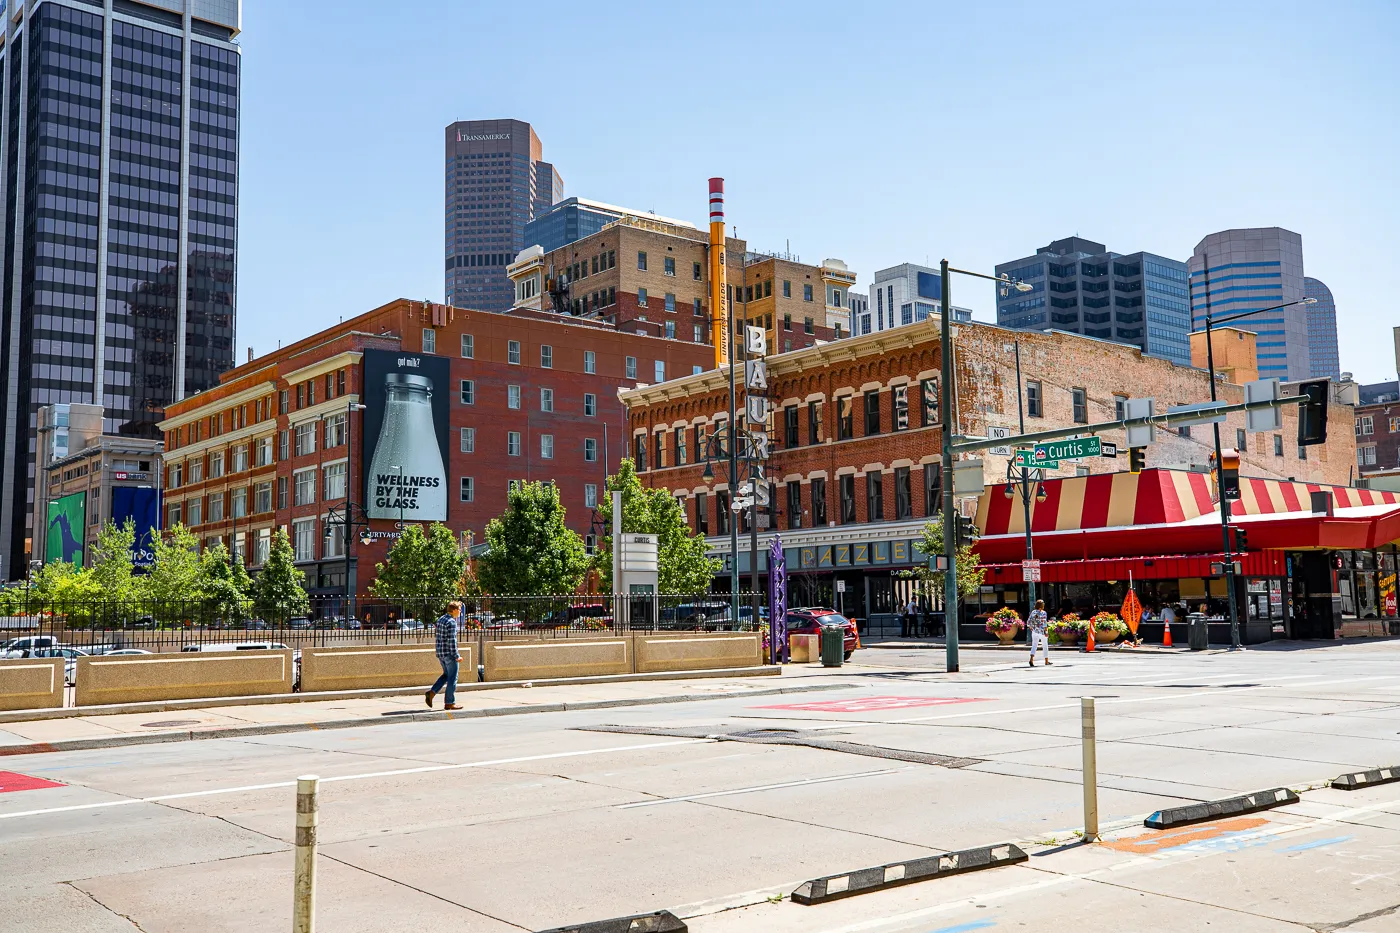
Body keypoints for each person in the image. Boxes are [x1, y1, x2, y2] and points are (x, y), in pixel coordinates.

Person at [426, 600, 464, 710]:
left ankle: (431, 693)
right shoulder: (451, 622)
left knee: (446, 675)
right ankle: (449, 702)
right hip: (449, 654)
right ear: (455, 610)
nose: (460, 612)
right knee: (453, 678)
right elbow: (451, 641)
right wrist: (457, 656)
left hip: (440, 653)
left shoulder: (441, 619)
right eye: (459, 610)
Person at [1027, 599, 1051, 667]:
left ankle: (1031, 659)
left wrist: (1031, 628)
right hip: (1042, 631)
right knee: (1045, 645)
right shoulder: (1043, 612)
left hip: (1034, 631)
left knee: (1034, 645)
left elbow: (1028, 622)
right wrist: (1046, 632)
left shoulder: (1033, 612)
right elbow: (1044, 623)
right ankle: (1046, 661)